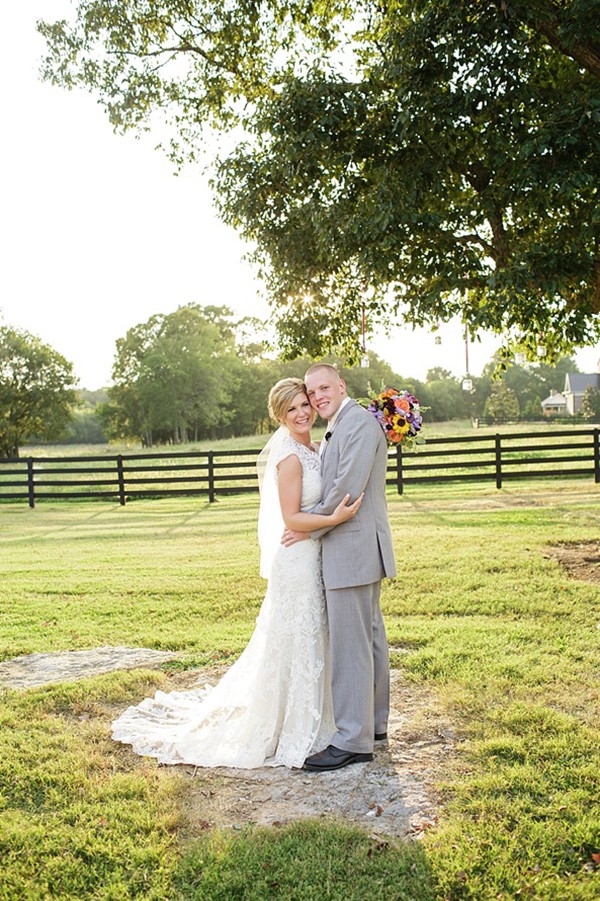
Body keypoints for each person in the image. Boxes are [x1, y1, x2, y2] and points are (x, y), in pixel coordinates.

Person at [111, 377, 362, 769]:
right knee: (298, 638)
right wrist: (336, 516)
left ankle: (318, 718)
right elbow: (291, 516)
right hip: (296, 561)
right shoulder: (290, 456)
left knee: (313, 639)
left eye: (304, 404)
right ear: (279, 416)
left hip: (314, 555)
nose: (301, 413)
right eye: (291, 409)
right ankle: (288, 727)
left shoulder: (312, 446)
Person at [282, 363, 396, 772]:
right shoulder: (341, 425)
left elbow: (346, 495)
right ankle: (374, 724)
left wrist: (303, 522)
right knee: (368, 637)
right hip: (355, 548)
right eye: (312, 394)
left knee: (352, 644)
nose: (317, 398)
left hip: (351, 547)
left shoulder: (359, 425)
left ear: (341, 385)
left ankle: (352, 740)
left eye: (324, 388)